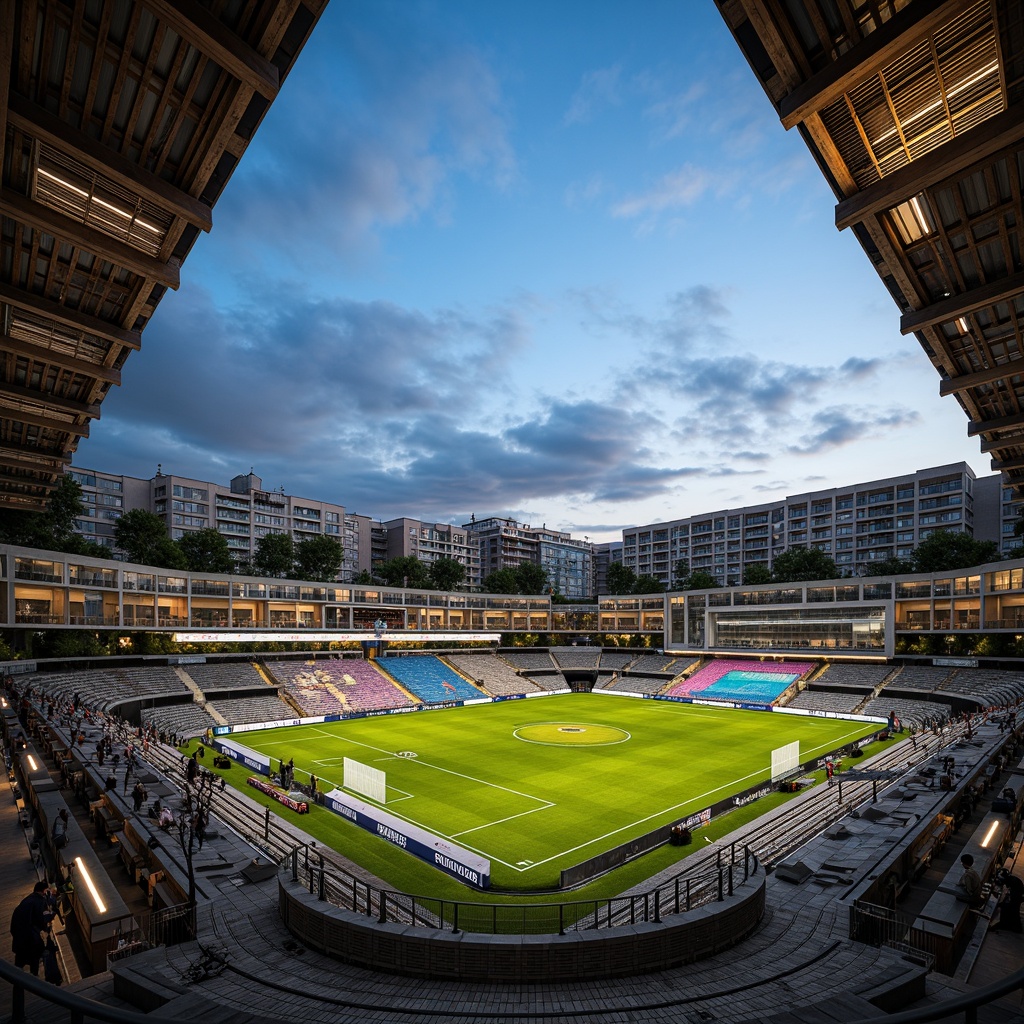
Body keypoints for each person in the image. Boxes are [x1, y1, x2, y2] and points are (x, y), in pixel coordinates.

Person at [10, 881, 53, 975]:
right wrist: (51, 913)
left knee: (18, 968)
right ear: (44, 891)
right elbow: (43, 920)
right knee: (34, 966)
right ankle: (35, 985)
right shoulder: (40, 901)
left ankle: (18, 988)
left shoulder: (26, 900)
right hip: (31, 941)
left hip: (19, 940)